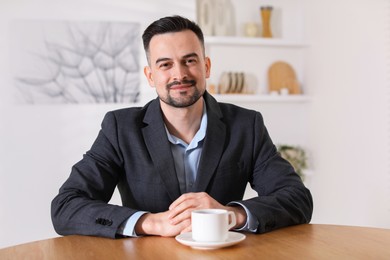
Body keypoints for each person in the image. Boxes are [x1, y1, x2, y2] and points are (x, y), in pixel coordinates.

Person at [51, 15, 313, 238]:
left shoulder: (247, 125)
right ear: (151, 76)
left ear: (206, 66)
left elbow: (297, 198)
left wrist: (231, 215)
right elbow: (65, 206)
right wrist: (151, 222)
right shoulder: (120, 128)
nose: (179, 74)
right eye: (165, 64)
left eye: (190, 60)